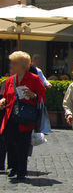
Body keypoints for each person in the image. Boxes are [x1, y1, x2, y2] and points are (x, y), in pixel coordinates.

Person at [0, 51, 46, 181]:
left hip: (26, 117)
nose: (11, 65)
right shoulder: (10, 80)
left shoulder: (34, 79)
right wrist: (3, 101)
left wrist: (33, 95)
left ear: (22, 65)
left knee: (23, 144)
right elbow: (6, 97)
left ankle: (21, 170)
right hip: (10, 117)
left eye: (14, 63)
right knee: (10, 143)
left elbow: (42, 97)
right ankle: (13, 167)